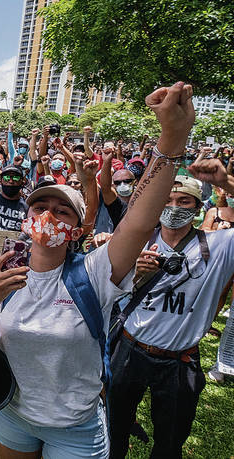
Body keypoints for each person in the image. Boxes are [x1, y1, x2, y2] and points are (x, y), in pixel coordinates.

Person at [0, 82, 196, 458]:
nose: (47, 216)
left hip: (75, 427)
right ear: (26, 223)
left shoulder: (93, 272)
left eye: (60, 211)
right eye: (39, 208)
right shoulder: (2, 270)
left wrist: (172, 139)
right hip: (12, 416)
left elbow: (137, 223)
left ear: (76, 229)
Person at [109, 165, 234, 458]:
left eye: (184, 201)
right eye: (166, 201)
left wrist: (224, 182)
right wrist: (133, 274)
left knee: (170, 441)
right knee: (113, 430)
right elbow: (107, 285)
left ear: (198, 207)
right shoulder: (135, 241)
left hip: (180, 359)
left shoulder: (219, 247)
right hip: (129, 350)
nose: (173, 207)